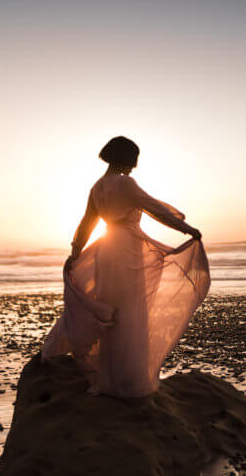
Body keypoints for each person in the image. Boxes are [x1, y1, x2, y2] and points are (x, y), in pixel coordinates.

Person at [41, 136, 210, 397]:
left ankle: (110, 375)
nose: (135, 166)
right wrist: (187, 229)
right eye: (134, 159)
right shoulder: (124, 183)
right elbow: (154, 208)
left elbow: (87, 223)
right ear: (126, 157)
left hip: (107, 251)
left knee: (114, 312)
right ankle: (130, 379)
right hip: (127, 249)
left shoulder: (97, 187)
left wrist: (75, 252)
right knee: (132, 311)